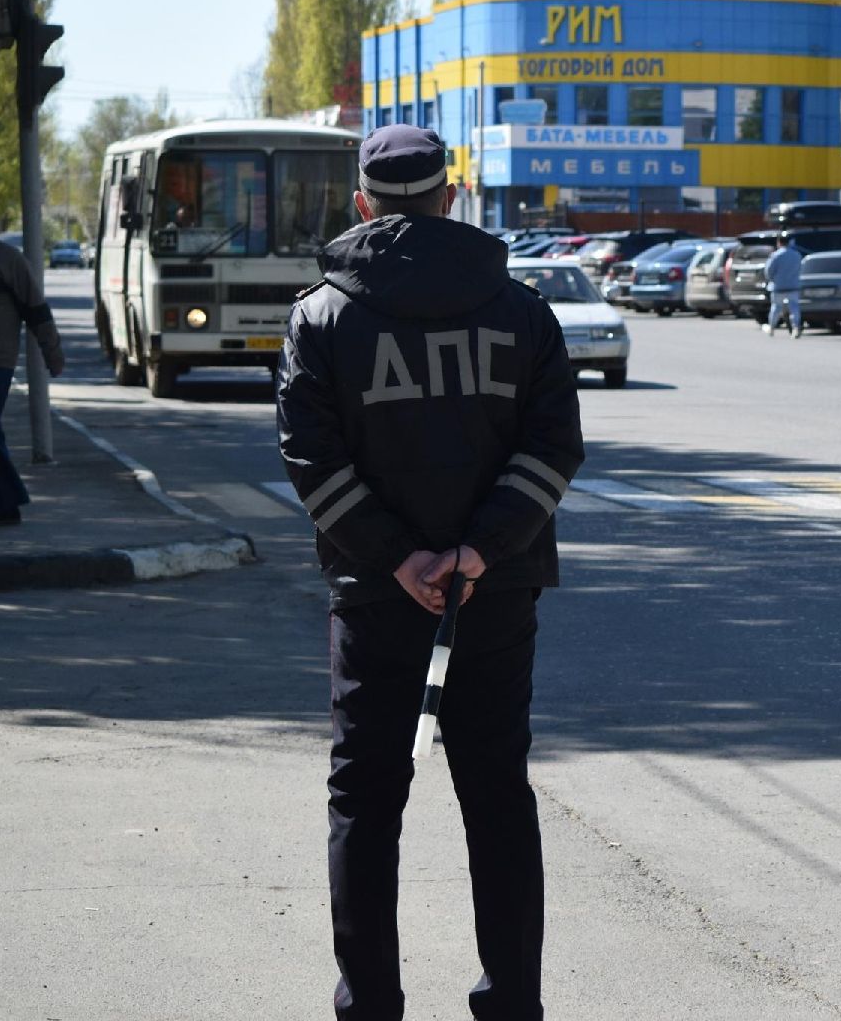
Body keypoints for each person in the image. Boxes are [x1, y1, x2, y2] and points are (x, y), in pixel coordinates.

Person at [276, 125, 584, 1021]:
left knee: (364, 800)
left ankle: (369, 1005)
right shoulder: (521, 308)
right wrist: (479, 547)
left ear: (365, 203)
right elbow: (554, 446)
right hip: (497, 586)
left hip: (376, 594)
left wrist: (397, 555)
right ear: (450, 198)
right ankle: (511, 1003)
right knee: (496, 792)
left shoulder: (322, 314)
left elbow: (310, 459)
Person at [0, 193, 65, 526]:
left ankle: (7, 503)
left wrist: (52, 351)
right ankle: (7, 504)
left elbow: (36, 309)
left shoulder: (9, 260)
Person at [762, 232, 803, 337]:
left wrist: (772, 280)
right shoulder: (796, 255)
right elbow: (800, 269)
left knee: (776, 307)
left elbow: (769, 271)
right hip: (793, 286)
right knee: (794, 307)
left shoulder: (775, 255)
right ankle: (796, 327)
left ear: (779, 242)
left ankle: (771, 328)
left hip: (778, 286)